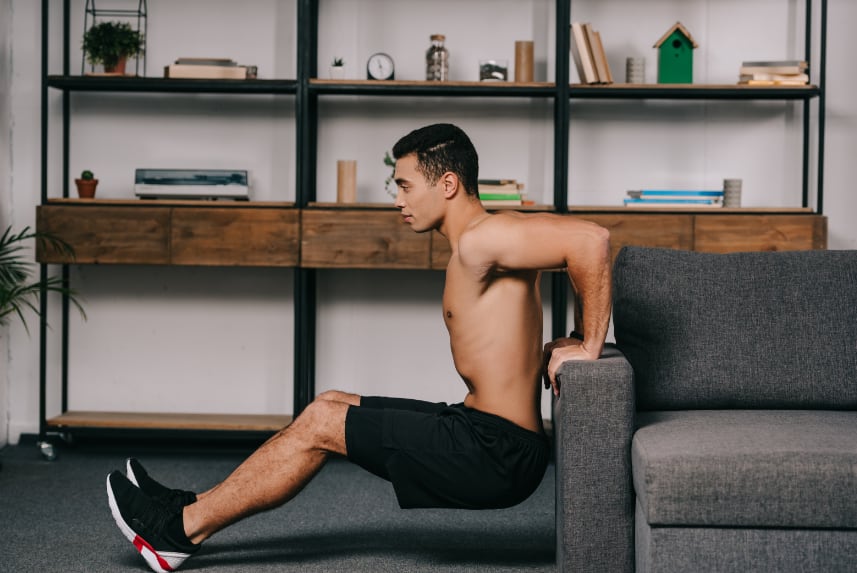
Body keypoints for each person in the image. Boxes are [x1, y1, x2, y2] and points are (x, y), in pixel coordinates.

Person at [106, 123, 612, 573]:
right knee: (329, 405)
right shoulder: (489, 239)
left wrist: (588, 344)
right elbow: (569, 258)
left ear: (448, 184)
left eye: (407, 186)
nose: (398, 200)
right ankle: (189, 506)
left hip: (495, 453)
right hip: (484, 434)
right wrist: (567, 335)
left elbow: (590, 242)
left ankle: (176, 533)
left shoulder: (484, 238)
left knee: (323, 426)